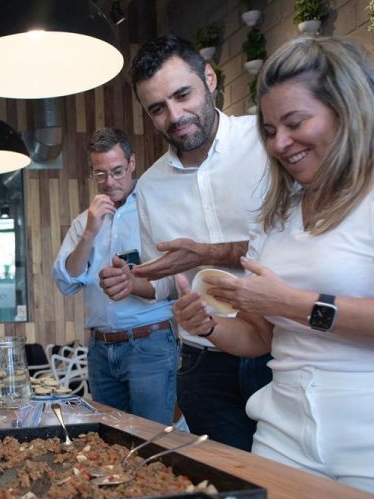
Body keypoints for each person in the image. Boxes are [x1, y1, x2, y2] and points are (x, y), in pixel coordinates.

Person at [172, 36, 374, 499]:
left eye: (295, 123)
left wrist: (291, 303)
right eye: (269, 129)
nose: (279, 142)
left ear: (348, 110)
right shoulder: (278, 216)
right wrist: (207, 326)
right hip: (286, 431)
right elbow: (260, 336)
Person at [125, 36, 272, 449]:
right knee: (226, 490)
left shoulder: (265, 144)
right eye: (157, 108)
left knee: (286, 487)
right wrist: (139, 281)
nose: (174, 115)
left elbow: (296, 245)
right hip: (203, 361)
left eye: (182, 95)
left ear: (209, 77)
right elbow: (171, 280)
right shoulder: (151, 187)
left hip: (280, 352)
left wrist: (207, 253)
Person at [52, 128, 177, 424]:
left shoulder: (156, 211)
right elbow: (66, 282)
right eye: (100, 174)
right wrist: (90, 233)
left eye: (117, 171)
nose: (109, 182)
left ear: (132, 163)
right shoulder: (85, 221)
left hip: (149, 342)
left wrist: (133, 284)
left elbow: (176, 280)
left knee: (152, 440)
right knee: (111, 440)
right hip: (99, 349)